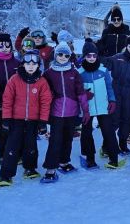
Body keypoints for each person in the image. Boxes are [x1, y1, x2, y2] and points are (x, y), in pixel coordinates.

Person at [0, 51, 52, 187]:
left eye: (34, 64)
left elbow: (45, 102)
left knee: (31, 145)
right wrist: (6, 118)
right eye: (28, 63)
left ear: (38, 66)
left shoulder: (42, 82)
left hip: (33, 120)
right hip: (16, 120)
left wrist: (43, 121)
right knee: (12, 146)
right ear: (23, 64)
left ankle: (30, 168)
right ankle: (5, 175)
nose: (31, 66)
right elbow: (7, 100)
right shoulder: (14, 79)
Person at [42, 42, 90, 182]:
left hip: (72, 112)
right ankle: (50, 168)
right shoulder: (49, 73)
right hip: (56, 113)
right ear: (55, 55)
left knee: (68, 138)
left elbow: (80, 92)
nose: (63, 57)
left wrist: (85, 110)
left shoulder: (73, 72)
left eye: (66, 55)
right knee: (55, 140)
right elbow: (44, 93)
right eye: (60, 54)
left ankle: (64, 161)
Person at [77, 41, 123, 169]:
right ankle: (90, 158)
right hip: (87, 109)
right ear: (84, 56)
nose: (91, 58)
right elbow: (77, 90)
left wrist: (112, 100)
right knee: (86, 133)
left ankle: (113, 158)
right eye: (88, 56)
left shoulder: (103, 70)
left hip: (104, 106)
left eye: (94, 55)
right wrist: (83, 95)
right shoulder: (79, 72)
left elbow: (109, 87)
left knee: (109, 132)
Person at [103, 36, 130, 155]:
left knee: (126, 119)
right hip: (116, 89)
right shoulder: (117, 58)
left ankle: (123, 144)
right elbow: (104, 64)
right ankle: (107, 146)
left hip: (129, 92)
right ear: (127, 46)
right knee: (114, 119)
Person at [0, 34, 22, 163]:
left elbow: (22, 80)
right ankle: (3, 154)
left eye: (7, 45)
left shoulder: (17, 62)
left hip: (16, 103)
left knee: (16, 129)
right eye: (1, 46)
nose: (5, 48)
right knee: (2, 131)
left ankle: (17, 154)